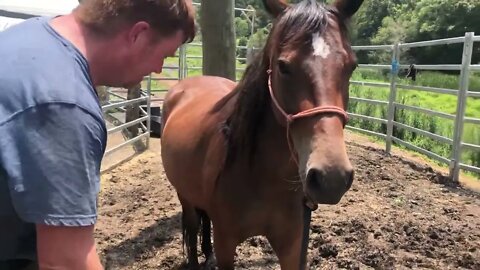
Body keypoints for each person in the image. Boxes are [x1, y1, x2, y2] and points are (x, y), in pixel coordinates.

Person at [0, 0, 195, 269]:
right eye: (164, 55)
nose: (160, 69)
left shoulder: (31, 35)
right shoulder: (64, 104)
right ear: (138, 35)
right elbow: (65, 261)